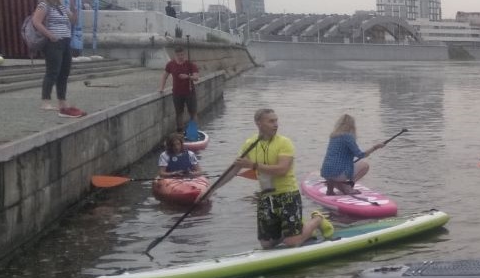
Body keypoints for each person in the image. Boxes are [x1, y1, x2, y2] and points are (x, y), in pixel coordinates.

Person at [214, 108, 333, 249]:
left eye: (276, 121)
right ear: (258, 123)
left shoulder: (284, 143)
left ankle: (317, 219)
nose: (275, 124)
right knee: (266, 244)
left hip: (287, 194)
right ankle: (294, 228)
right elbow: (233, 170)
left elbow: (282, 170)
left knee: (292, 243)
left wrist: (253, 165)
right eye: (271, 121)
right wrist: (209, 192)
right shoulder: (250, 144)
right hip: (266, 197)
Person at [31, 0, 80, 117]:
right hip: (53, 43)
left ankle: (62, 101)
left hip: (65, 41)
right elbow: (36, 21)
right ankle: (45, 102)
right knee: (53, 72)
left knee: (64, 72)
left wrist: (75, 10)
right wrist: (50, 35)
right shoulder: (44, 4)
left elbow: (73, 20)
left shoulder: (61, 6)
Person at [320, 114, 385, 194]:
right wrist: (375, 147)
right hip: (338, 174)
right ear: (351, 125)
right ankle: (348, 186)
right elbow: (361, 155)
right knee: (365, 166)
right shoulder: (348, 137)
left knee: (335, 167)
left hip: (326, 172)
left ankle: (330, 190)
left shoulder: (333, 136)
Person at [158, 47, 201, 132]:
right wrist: (161, 88)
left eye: (182, 55)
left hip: (189, 92)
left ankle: (194, 131)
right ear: (175, 55)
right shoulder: (170, 64)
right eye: (178, 55)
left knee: (193, 113)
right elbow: (164, 76)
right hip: (177, 93)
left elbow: (196, 77)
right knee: (179, 113)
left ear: (184, 54)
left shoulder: (190, 64)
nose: (180, 57)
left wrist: (188, 76)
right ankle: (180, 131)